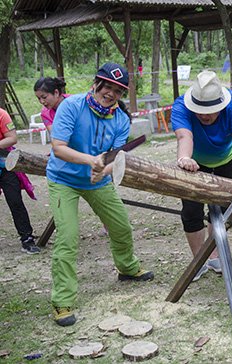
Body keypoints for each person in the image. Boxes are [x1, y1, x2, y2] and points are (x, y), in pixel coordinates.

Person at [47, 62, 154, 327]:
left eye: (118, 90)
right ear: (96, 83)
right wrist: (89, 161)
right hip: (63, 180)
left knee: (121, 226)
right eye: (108, 86)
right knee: (68, 238)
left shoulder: (120, 119)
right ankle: (62, 301)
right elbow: (58, 148)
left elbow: (114, 157)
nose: (111, 93)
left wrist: (103, 171)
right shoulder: (71, 106)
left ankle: (127, 269)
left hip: (96, 182)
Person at [171, 70, 232, 281]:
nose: (204, 115)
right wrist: (184, 158)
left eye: (210, 111)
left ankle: (213, 255)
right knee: (191, 210)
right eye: (200, 110)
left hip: (225, 158)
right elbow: (184, 136)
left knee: (221, 209)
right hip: (193, 162)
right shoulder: (180, 106)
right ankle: (198, 260)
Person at [0, 107, 40, 254]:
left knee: (15, 201)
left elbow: (12, 138)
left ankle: (27, 239)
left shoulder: (2, 114)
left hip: (5, 164)